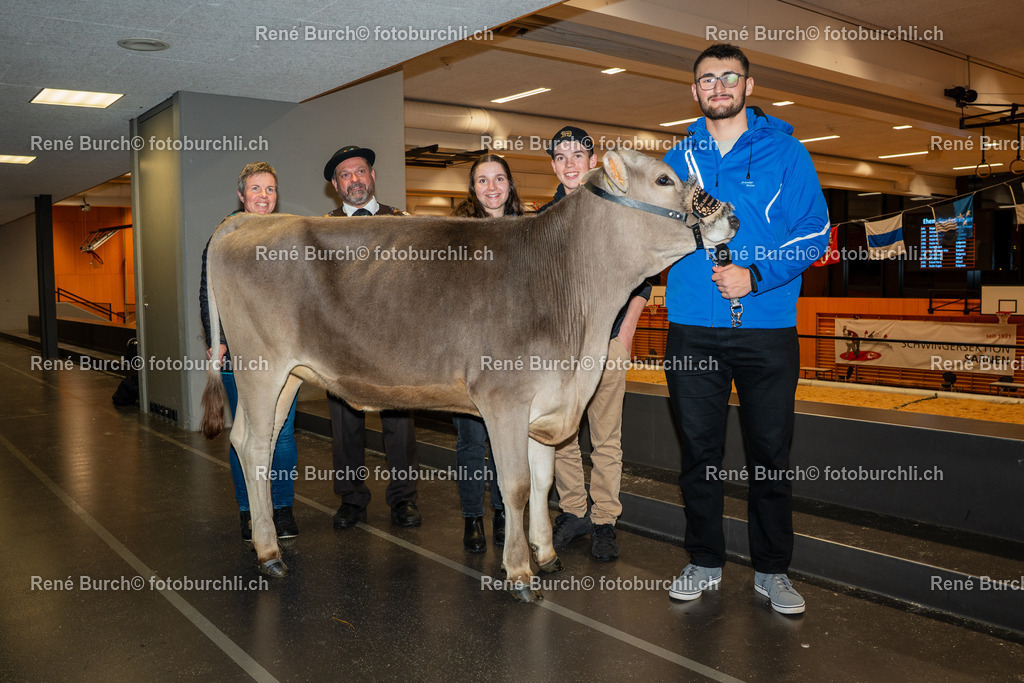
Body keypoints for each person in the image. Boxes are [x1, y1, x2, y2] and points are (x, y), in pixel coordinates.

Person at [661, 44, 829, 615]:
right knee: (699, 453)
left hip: (767, 328)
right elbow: (648, 235)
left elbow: (814, 235)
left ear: (748, 86)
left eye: (729, 77)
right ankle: (705, 559)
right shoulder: (678, 159)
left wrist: (754, 275)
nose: (719, 86)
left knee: (769, 455)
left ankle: (773, 570)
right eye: (707, 79)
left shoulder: (786, 153)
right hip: (691, 325)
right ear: (695, 92)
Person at [540, 126, 652, 561]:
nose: (570, 163)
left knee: (606, 438)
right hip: (561, 351)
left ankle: (605, 518)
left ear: (593, 162)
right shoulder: (544, 218)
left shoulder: (618, 211)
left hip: (607, 345)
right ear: (553, 165)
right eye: (561, 156)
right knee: (563, 436)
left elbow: (645, 277)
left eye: (578, 155)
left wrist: (625, 334)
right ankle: (574, 511)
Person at [322, 145, 422, 530]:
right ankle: (351, 499)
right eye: (345, 175)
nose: (355, 180)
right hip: (343, 345)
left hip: (394, 342)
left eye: (360, 171)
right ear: (336, 185)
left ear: (373, 176)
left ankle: (403, 498)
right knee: (345, 425)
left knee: (399, 424)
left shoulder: (402, 222)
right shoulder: (324, 228)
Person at [200, 161, 299, 543]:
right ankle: (249, 511)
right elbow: (207, 292)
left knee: (282, 435)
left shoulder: (287, 233)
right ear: (241, 195)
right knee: (247, 433)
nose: (264, 196)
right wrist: (217, 337)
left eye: (270, 189)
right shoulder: (225, 236)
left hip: (283, 354)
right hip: (241, 352)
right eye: (256, 189)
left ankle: (282, 508)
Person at [449, 153, 524, 552]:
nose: (492, 188)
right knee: (472, 443)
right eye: (482, 181)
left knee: (506, 442)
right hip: (469, 359)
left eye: (499, 179)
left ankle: (503, 514)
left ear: (510, 185)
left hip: (513, 360)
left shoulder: (529, 232)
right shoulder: (458, 234)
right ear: (473, 189)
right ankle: (471, 518)